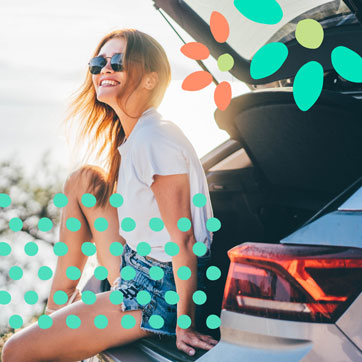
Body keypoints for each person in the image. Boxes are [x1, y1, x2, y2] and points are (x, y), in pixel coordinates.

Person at [1, 28, 219, 361]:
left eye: (117, 61)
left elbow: (185, 241)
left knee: (15, 352)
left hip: (158, 293)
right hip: (138, 263)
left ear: (149, 80)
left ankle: (52, 336)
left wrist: (185, 324)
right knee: (83, 181)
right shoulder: (139, 135)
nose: (105, 68)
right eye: (97, 63)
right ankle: (56, 316)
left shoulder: (154, 139)